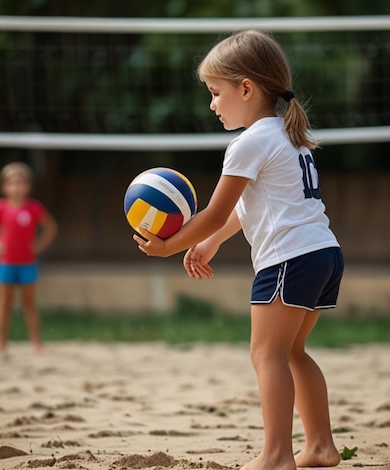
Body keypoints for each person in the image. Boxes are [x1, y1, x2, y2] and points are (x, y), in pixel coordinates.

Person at [133, 30, 343, 470]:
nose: (212, 104)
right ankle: (321, 447)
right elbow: (246, 212)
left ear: (246, 88)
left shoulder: (249, 142)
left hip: (289, 258)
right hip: (323, 252)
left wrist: (168, 247)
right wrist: (209, 244)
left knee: (266, 354)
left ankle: (276, 456)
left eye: (215, 92)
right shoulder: (288, 135)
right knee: (292, 352)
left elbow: (212, 211)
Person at [0, 162, 57, 354]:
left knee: (29, 303)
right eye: (12, 183)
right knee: (4, 303)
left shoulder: (34, 208)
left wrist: (38, 246)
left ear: (28, 187)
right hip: (6, 263)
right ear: (4, 186)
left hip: (27, 263)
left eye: (21, 183)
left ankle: (36, 343)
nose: (16, 187)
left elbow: (50, 229)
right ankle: (0, 342)